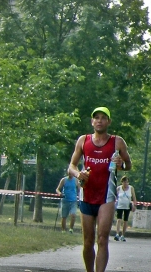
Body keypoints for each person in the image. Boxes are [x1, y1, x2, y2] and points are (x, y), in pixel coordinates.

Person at [68, 106, 131, 272]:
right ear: (92, 121)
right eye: (96, 117)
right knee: (88, 241)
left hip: (106, 197)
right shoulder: (83, 140)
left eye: (103, 117)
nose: (99, 120)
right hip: (87, 195)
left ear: (108, 121)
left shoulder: (117, 141)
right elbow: (71, 166)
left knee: (102, 239)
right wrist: (78, 174)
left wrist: (121, 165)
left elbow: (128, 165)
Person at [55, 169, 81, 234]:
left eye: (71, 173)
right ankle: (63, 230)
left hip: (73, 201)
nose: (70, 174)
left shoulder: (76, 180)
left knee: (73, 215)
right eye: (69, 173)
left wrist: (79, 195)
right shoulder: (64, 180)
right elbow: (57, 189)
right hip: (65, 200)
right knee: (64, 216)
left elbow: (79, 189)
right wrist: (59, 193)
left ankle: (71, 229)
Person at [114, 175, 137, 242]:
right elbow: (114, 196)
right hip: (120, 206)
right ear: (122, 182)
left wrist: (134, 205)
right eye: (124, 182)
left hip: (127, 206)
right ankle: (117, 234)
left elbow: (134, 197)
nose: (126, 184)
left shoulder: (131, 188)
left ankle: (123, 235)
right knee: (119, 220)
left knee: (125, 221)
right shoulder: (119, 188)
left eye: (127, 182)